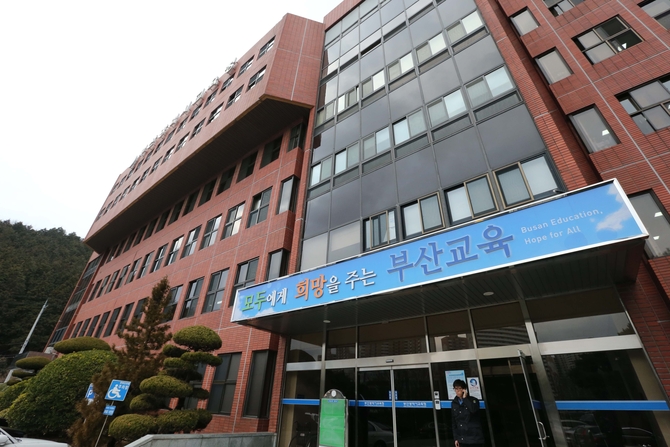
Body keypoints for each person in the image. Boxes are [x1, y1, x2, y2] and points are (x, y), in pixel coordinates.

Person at [452, 379, 484, 447]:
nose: (457, 391)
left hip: (474, 438)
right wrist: (456, 438)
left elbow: (473, 410)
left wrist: (465, 398)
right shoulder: (454, 403)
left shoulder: (474, 400)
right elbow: (454, 421)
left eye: (459, 388)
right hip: (462, 438)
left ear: (464, 389)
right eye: (455, 389)